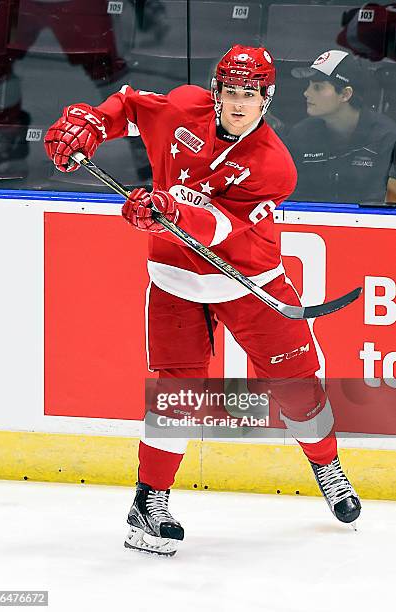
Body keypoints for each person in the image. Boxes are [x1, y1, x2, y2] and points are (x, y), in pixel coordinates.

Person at [44, 45, 361, 557]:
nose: (239, 104)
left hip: (247, 281)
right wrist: (93, 125)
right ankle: (150, 501)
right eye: (231, 92)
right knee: (178, 395)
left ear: (266, 98)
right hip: (173, 279)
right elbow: (128, 107)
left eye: (250, 95)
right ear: (216, 92)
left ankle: (327, 465)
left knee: (298, 385)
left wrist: (172, 209)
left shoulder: (274, 166)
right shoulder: (182, 110)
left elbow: (227, 231)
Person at [287, 49, 396, 204]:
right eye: (308, 85)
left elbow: (387, 205)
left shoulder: (387, 138)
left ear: (345, 94)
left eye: (317, 87)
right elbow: (291, 198)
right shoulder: (300, 135)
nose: (306, 93)